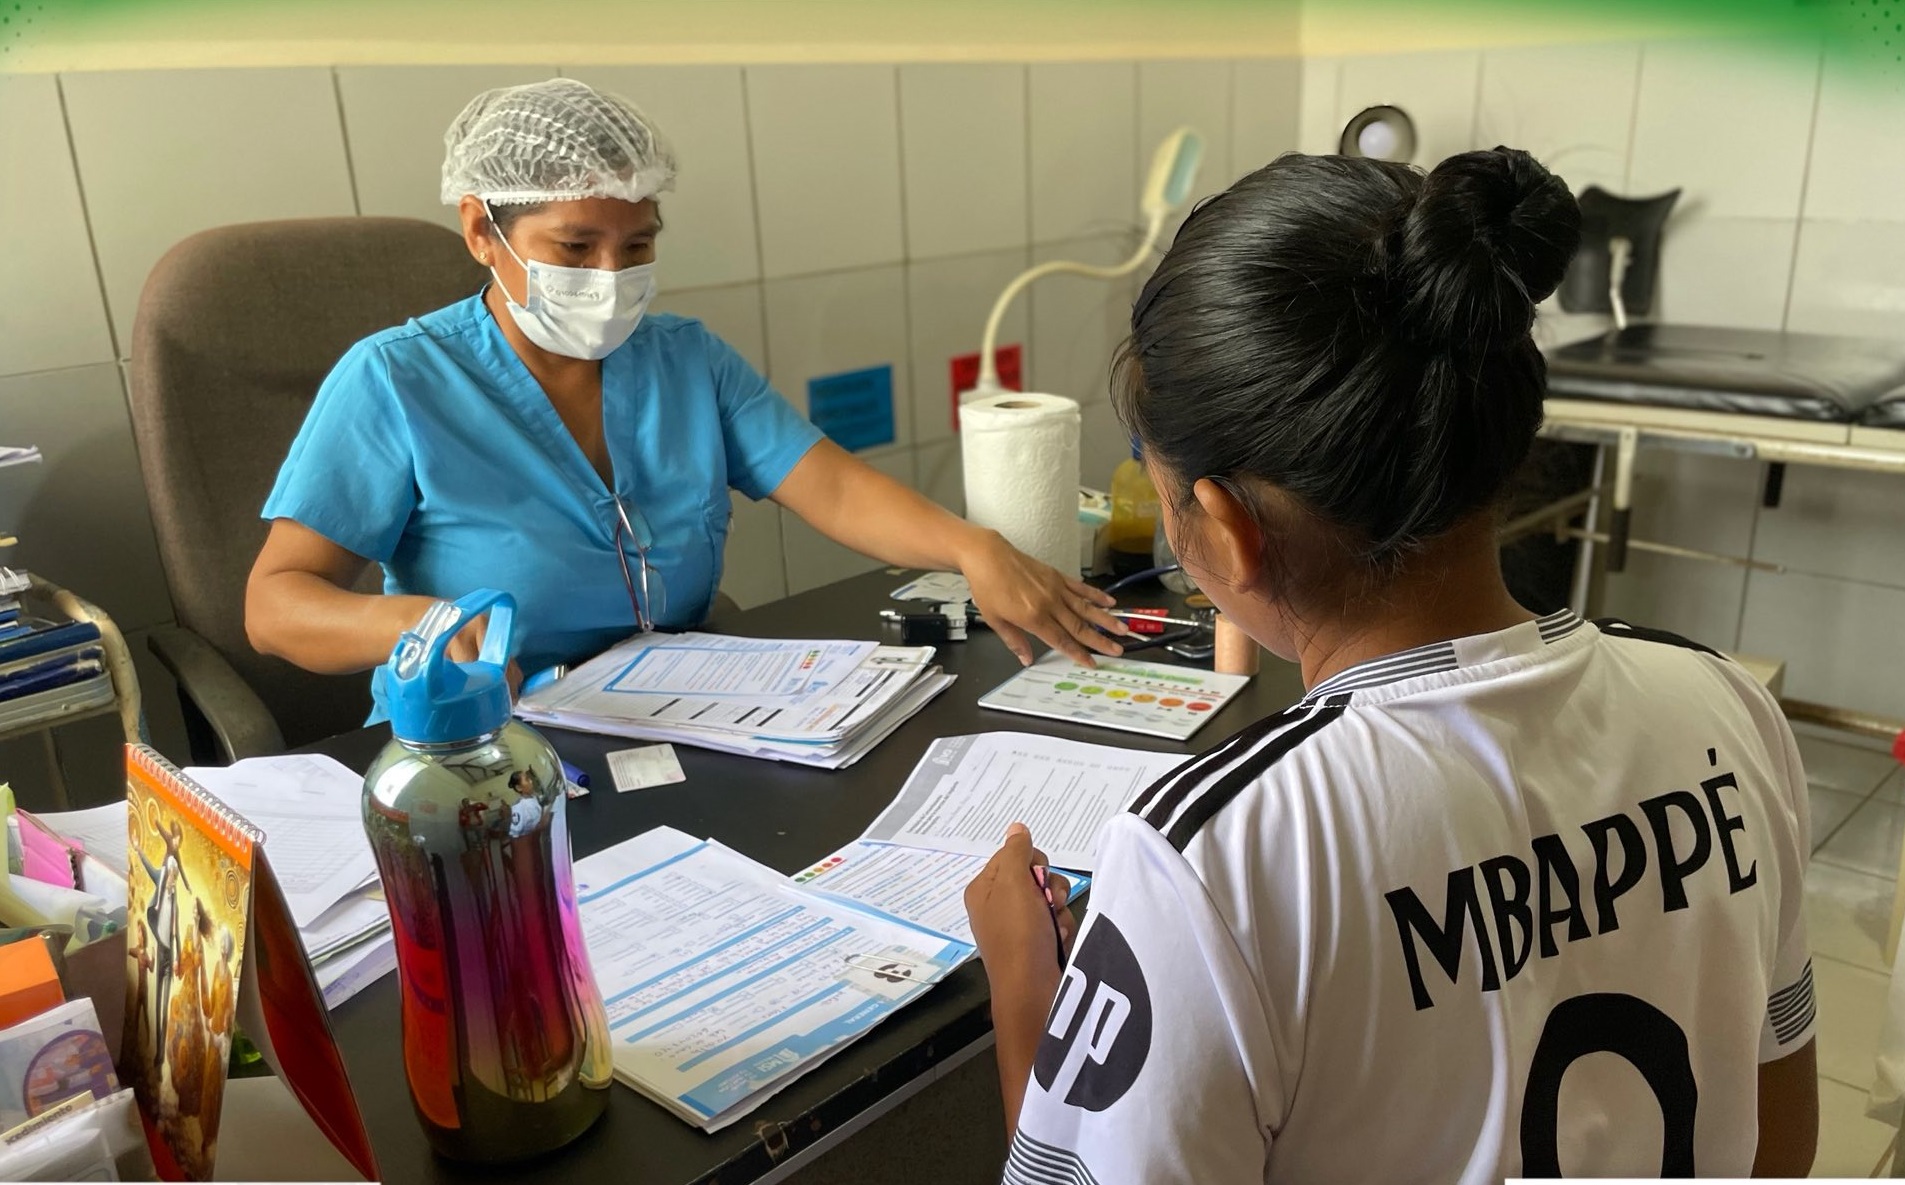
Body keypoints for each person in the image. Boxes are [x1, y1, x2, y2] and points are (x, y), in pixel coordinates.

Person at [965, 147, 1819, 1181]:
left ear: (1226, 533)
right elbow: (1783, 1136)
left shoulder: (1210, 862)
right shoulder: (1725, 709)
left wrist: (1026, 986)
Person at [246, 78, 1125, 681]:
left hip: (683, 717)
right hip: (487, 750)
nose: (610, 273)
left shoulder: (684, 358)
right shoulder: (397, 381)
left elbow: (832, 488)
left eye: (637, 246)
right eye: (575, 247)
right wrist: (414, 626)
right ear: (482, 232)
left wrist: (977, 549)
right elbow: (276, 603)